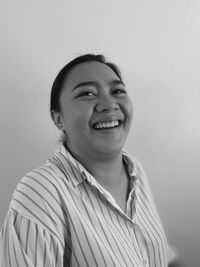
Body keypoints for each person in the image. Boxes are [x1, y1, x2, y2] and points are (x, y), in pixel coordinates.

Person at [0, 54, 176, 266]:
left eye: (117, 91)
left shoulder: (134, 169)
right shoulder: (41, 192)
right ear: (59, 119)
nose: (109, 104)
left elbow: (153, 251)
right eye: (87, 93)